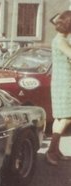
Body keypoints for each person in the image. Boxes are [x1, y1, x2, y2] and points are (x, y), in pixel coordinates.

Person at [45, 10, 71, 165]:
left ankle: (56, 150)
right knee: (67, 117)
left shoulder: (60, 39)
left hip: (62, 81)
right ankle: (50, 151)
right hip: (65, 82)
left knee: (60, 117)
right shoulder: (61, 41)